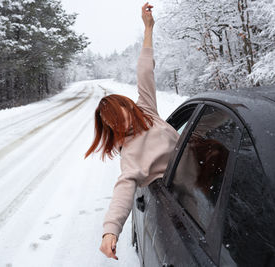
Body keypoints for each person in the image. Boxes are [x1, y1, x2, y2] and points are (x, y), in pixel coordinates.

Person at [84, 2, 180, 261]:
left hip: (208, 175)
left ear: (127, 106)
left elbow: (145, 69)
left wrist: (148, 28)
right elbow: (124, 188)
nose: (119, 122)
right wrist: (110, 231)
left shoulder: (147, 111)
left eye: (118, 113)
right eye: (110, 122)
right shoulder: (130, 154)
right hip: (183, 199)